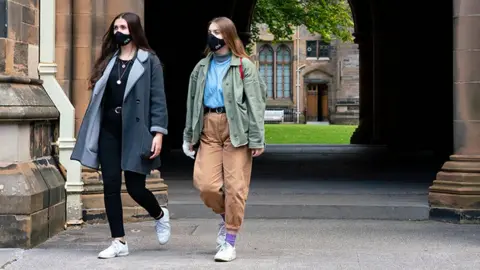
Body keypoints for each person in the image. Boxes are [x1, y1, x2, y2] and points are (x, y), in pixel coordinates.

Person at [71, 12, 170, 259]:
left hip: (136, 132)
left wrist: (158, 133)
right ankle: (119, 241)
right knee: (111, 185)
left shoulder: (150, 61)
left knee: (136, 188)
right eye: (116, 27)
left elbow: (158, 100)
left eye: (124, 27)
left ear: (134, 31)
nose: (119, 31)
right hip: (109, 131)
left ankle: (160, 214)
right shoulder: (109, 61)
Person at [182, 16, 267, 262]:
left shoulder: (243, 66)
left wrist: (257, 138)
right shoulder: (201, 67)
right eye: (210, 31)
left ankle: (230, 241)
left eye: (218, 32)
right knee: (206, 185)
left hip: (236, 130)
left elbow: (256, 103)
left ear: (228, 36)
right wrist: (190, 134)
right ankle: (226, 217)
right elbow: (192, 103)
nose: (213, 36)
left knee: (235, 187)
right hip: (209, 127)